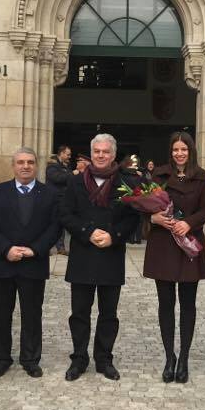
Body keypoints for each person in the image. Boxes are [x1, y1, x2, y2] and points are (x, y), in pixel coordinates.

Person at [60, 133, 141, 381]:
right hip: (83, 254)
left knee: (109, 314)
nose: (101, 155)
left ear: (114, 154)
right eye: (97, 151)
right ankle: (79, 359)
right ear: (91, 153)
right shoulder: (75, 182)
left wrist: (114, 236)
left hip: (111, 255)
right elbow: (66, 214)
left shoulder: (126, 181)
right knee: (79, 313)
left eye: (106, 151)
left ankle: (104, 360)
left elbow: (133, 218)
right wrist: (87, 232)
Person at [0, 147, 61, 378]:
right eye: (21, 162)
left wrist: (34, 250)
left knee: (32, 315)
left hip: (33, 264)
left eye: (30, 162)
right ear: (13, 166)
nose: (25, 166)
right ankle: (1, 360)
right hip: (2, 264)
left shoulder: (49, 194)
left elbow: (55, 227)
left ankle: (30, 359)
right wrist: (6, 249)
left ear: (36, 166)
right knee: (1, 315)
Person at [143, 132, 205, 383]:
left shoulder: (202, 177)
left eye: (184, 149)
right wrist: (154, 218)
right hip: (164, 244)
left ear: (191, 151)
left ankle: (184, 358)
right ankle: (169, 357)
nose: (179, 153)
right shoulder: (158, 175)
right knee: (165, 304)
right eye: (175, 149)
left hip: (189, 244)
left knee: (188, 304)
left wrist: (189, 223)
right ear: (170, 151)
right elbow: (143, 205)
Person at [46, 144, 76, 255]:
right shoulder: (52, 165)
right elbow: (57, 178)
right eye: (68, 154)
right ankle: (46, 247)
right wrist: (72, 174)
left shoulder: (65, 165)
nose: (69, 156)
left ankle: (61, 248)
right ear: (62, 153)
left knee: (61, 223)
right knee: (50, 223)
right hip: (53, 199)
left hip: (62, 199)